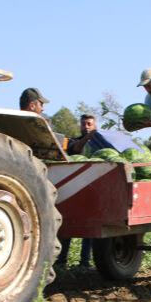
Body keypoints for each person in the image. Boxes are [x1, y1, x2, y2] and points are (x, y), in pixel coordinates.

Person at [57, 114, 99, 268]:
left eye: (89, 124)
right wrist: (87, 138)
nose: (86, 127)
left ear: (95, 126)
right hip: (74, 190)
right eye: (84, 124)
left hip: (92, 191)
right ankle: (62, 260)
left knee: (88, 229)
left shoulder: (100, 143)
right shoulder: (74, 140)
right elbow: (75, 149)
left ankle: (84, 262)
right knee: (68, 226)